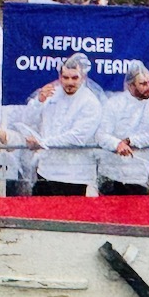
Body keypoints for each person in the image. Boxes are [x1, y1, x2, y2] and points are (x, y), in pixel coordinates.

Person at [20, 54, 103, 196]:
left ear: (83, 78)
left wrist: (42, 143)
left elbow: (78, 138)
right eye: (66, 78)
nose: (69, 82)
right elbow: (28, 120)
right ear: (60, 77)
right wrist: (38, 102)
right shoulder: (50, 94)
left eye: (74, 78)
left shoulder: (90, 102)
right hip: (45, 172)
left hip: (75, 177)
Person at [96, 60, 149, 195]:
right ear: (130, 86)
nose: (148, 87)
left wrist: (130, 141)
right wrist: (117, 144)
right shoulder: (114, 104)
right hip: (112, 173)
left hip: (139, 175)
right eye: (143, 84)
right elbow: (101, 134)